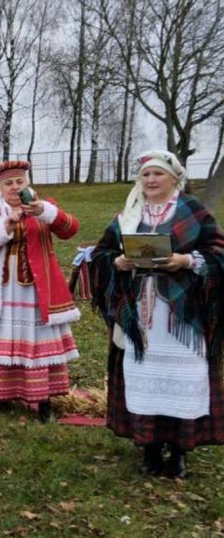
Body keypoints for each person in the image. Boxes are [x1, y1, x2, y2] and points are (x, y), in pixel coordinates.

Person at [91, 150, 224, 479]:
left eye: (158, 174)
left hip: (182, 314)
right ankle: (150, 447)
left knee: (181, 376)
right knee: (146, 376)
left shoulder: (191, 210)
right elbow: (102, 252)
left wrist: (185, 261)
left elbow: (218, 252)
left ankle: (179, 452)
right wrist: (117, 262)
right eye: (146, 175)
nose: (150, 180)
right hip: (141, 311)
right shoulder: (130, 213)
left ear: (174, 178)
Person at [0, 160, 80, 421]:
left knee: (36, 340)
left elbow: (70, 230)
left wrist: (46, 212)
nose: (14, 188)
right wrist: (4, 228)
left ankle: (43, 399)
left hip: (37, 290)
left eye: (19, 182)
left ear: (28, 183)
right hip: (1, 290)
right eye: (8, 183)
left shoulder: (44, 207)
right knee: (2, 336)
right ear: (0, 188)